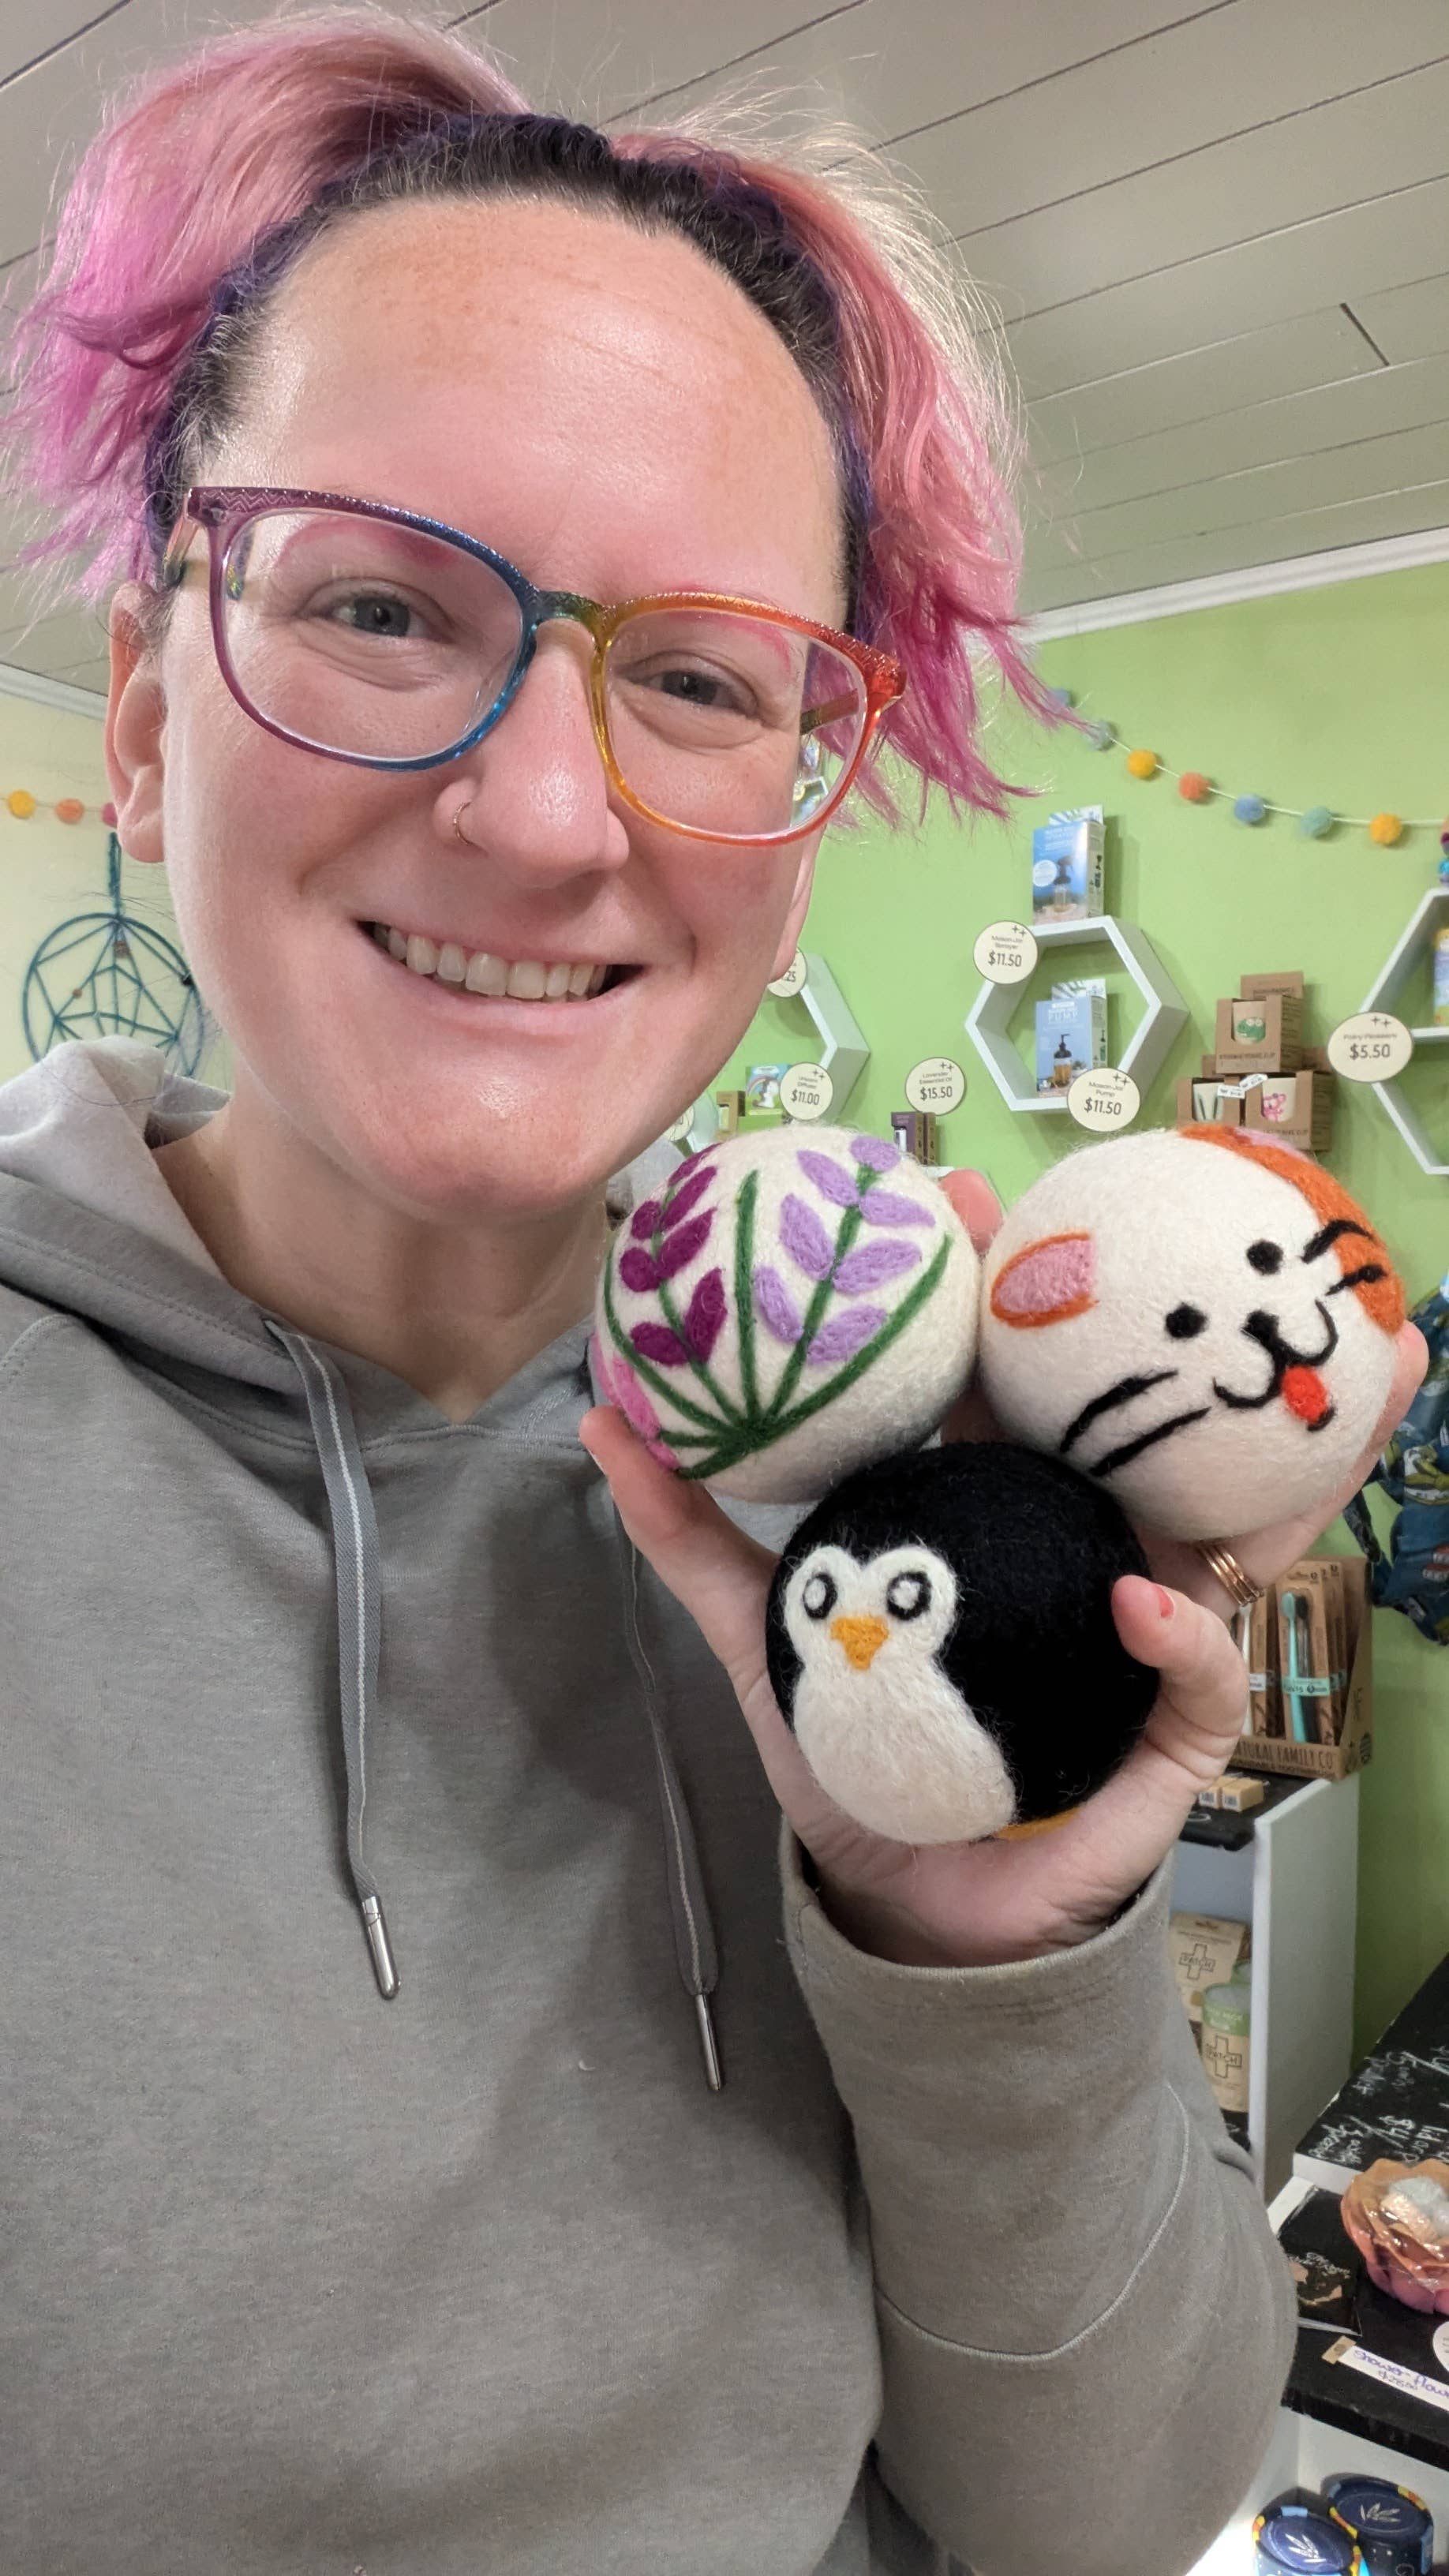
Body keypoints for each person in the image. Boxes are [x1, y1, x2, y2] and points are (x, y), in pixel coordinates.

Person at [0, 12, 1425, 2573]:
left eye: (692, 674)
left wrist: (977, 1952)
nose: (548, 814)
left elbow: (1108, 2522)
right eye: (377, 605)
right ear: (138, 713)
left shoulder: (885, 1517)